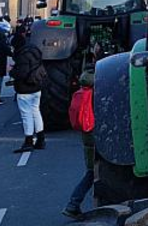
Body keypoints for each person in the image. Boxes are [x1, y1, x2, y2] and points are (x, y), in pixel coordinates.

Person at [63, 69, 96, 218]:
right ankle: (73, 203)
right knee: (92, 172)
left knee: (91, 171)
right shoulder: (96, 94)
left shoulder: (81, 93)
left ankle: (73, 204)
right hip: (96, 136)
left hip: (87, 136)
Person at [10, 34, 48, 153]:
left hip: (25, 89)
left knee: (26, 115)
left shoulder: (21, 56)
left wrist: (11, 71)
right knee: (36, 111)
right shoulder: (34, 50)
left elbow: (22, 73)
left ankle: (28, 141)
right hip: (37, 86)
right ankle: (41, 139)